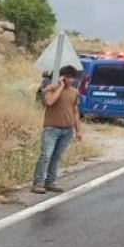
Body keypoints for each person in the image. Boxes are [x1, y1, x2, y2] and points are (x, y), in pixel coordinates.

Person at [32, 65, 84, 194]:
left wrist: (78, 130)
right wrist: (60, 86)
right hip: (51, 129)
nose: (70, 80)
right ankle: (38, 182)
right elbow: (49, 102)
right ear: (62, 77)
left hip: (67, 130)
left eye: (72, 78)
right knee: (46, 155)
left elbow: (75, 112)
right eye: (68, 77)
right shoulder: (51, 89)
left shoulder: (74, 92)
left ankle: (50, 181)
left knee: (56, 156)